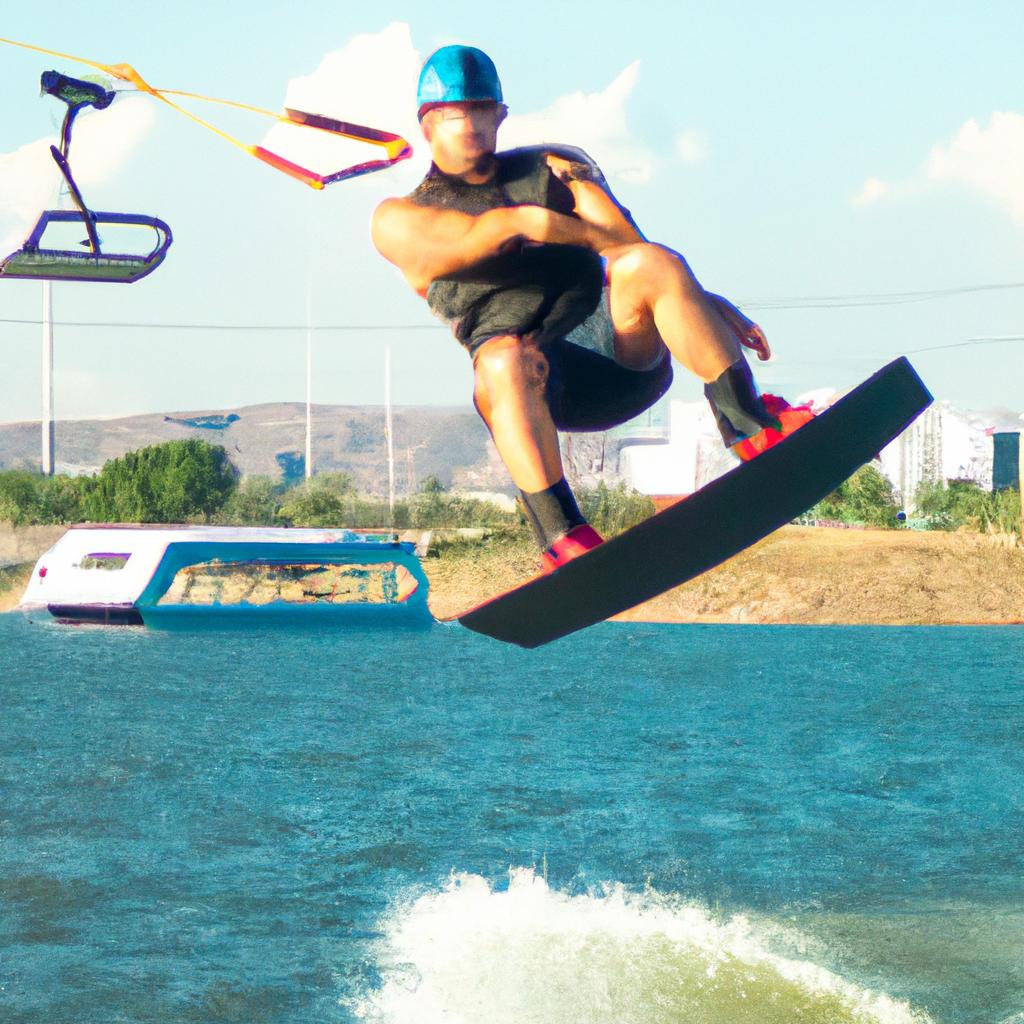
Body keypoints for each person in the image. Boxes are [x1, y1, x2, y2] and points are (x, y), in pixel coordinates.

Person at [372, 45, 813, 571]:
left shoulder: (554, 167)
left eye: (480, 108)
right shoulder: (398, 217)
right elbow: (498, 231)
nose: (466, 121)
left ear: (501, 115)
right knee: (502, 359)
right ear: (425, 124)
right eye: (449, 113)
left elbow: (632, 248)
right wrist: (559, 217)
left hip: (619, 352)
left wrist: (702, 297)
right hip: (532, 385)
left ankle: (750, 425)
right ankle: (564, 536)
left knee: (647, 262)